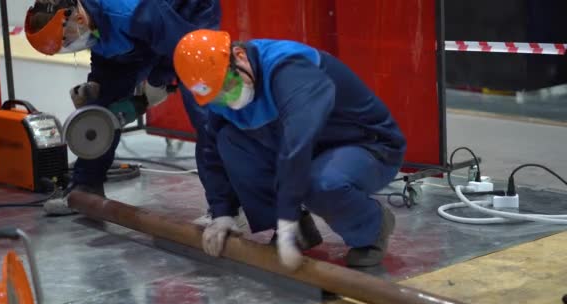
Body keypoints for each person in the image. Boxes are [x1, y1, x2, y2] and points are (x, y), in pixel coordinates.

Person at [172, 29, 407, 270]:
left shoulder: (289, 69)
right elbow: (211, 149)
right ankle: (299, 232)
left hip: (366, 145)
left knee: (320, 183)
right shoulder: (223, 95)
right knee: (230, 140)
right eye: (218, 97)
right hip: (308, 146)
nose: (229, 99)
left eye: (228, 85)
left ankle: (372, 228)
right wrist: (223, 212)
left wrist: (286, 219)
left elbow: (296, 146)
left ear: (239, 56)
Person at [23, 0, 221, 217]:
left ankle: (226, 209)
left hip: (188, 14)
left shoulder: (130, 12)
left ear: (76, 18)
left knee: (205, 112)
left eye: (67, 40)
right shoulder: (88, 18)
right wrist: (97, 88)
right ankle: (86, 187)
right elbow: (105, 58)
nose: (71, 45)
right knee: (100, 110)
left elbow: (180, 45)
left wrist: (159, 80)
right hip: (140, 28)